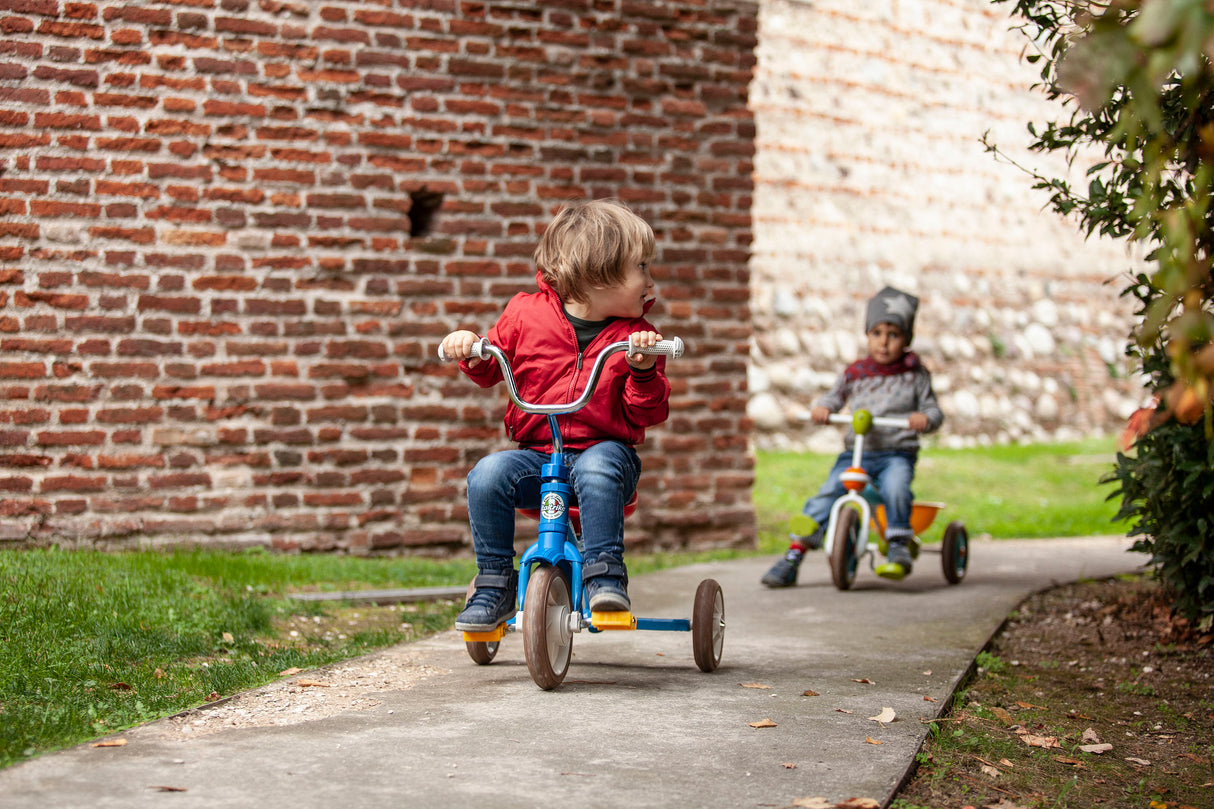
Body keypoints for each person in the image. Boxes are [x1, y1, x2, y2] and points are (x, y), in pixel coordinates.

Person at [440, 199, 671, 632]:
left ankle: (606, 576)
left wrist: (642, 372)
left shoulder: (636, 338)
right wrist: (469, 347)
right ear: (596, 273)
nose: (650, 279)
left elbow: (649, 411)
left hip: (606, 455)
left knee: (599, 464)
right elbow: (491, 364)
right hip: (538, 455)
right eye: (641, 267)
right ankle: (493, 582)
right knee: (488, 474)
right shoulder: (525, 315)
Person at [761, 285, 944, 587]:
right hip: (858, 453)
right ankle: (795, 552)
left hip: (896, 453)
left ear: (907, 339)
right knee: (829, 491)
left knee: (897, 487)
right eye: (877, 333)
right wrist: (823, 408)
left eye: (894, 335)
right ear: (867, 335)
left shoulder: (915, 374)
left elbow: (933, 411)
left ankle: (898, 543)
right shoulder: (856, 372)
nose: (884, 342)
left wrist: (924, 419)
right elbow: (834, 397)